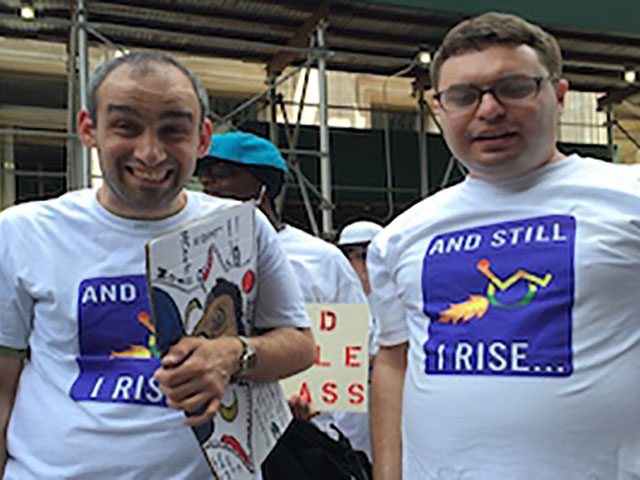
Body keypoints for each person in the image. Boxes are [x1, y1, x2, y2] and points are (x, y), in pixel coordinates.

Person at [0, 52, 315, 480]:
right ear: (88, 129)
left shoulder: (243, 228)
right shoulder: (22, 232)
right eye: (126, 126)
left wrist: (233, 353)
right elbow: (3, 386)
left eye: (173, 131)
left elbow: (300, 344)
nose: (150, 153)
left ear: (202, 139)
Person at [367, 12, 640, 480]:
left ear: (557, 96)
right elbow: (395, 358)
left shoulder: (628, 197)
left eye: (513, 88)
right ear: (440, 110)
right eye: (463, 96)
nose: (488, 110)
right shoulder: (400, 235)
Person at [197, 132, 373, 461]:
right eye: (202, 172)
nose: (207, 181)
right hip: (221, 435)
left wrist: (322, 409)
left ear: (263, 183)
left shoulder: (322, 260)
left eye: (221, 171)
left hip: (305, 439)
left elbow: (356, 351)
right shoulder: (196, 259)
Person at [334, 220, 383, 460]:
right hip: (346, 403)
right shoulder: (333, 295)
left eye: (366, 255)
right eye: (354, 256)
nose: (361, 265)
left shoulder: (398, 297)